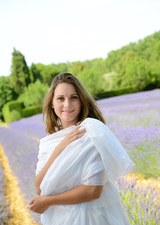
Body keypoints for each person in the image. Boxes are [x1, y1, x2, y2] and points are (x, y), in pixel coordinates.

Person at [28, 72, 134, 225]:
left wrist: (47, 201)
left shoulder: (91, 132)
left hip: (90, 217)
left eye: (74, 97)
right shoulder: (48, 143)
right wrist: (60, 149)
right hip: (59, 219)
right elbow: (39, 188)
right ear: (52, 103)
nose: (67, 104)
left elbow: (93, 191)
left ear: (82, 101)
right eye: (60, 98)